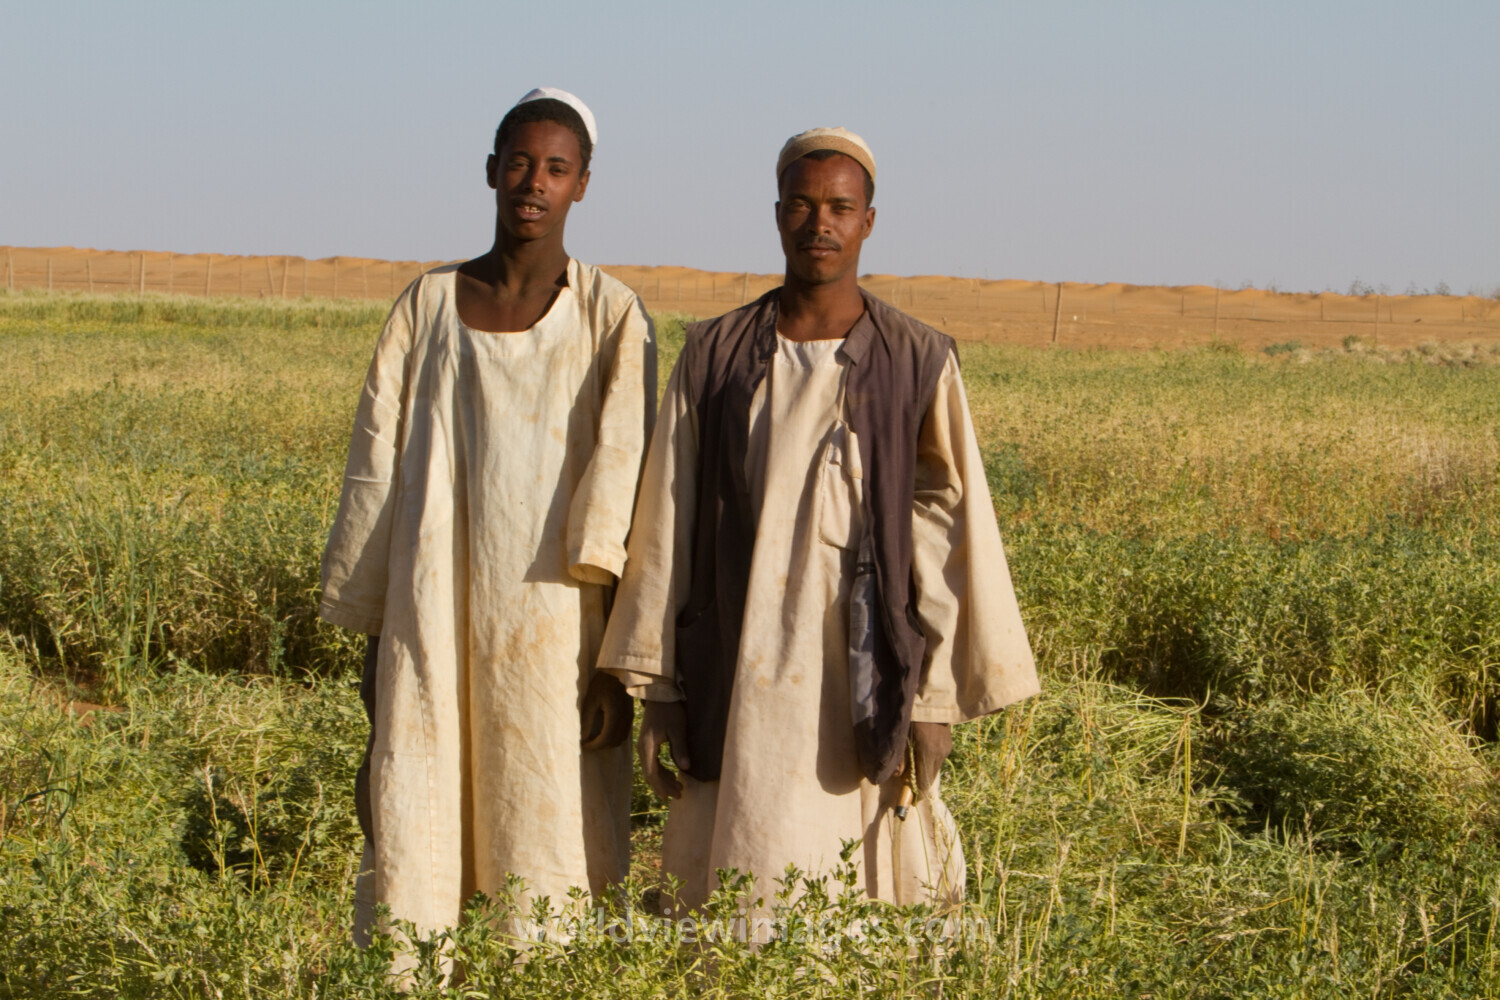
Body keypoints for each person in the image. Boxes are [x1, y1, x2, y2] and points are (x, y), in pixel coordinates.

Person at [598, 127, 1038, 919]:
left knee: (862, 901)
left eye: (839, 206)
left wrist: (933, 701)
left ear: (869, 221)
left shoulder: (918, 359)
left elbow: (950, 534)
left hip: (865, 669)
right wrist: (659, 687)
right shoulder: (714, 354)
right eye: (802, 204)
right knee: (733, 883)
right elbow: (665, 518)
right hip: (735, 656)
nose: (819, 223)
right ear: (776, 215)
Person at [319, 87, 655, 945]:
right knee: (419, 822)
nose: (532, 183)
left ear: (584, 184)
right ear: (490, 172)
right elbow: (375, 473)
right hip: (430, 618)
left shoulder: (612, 317)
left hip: (558, 635)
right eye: (518, 163)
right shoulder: (424, 308)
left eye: (555, 167)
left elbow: (624, 498)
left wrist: (616, 669)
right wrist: (375, 635)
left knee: (547, 838)